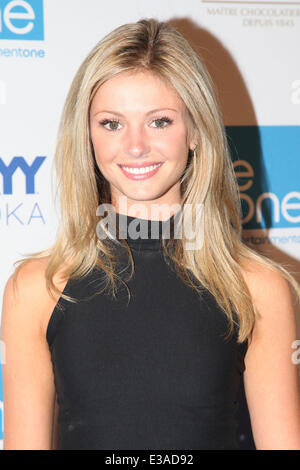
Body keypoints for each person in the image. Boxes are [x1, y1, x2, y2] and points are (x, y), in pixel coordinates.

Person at [1, 18, 300, 451]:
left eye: (159, 122)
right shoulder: (37, 289)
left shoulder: (255, 288)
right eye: (111, 124)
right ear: (86, 136)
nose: (136, 146)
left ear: (195, 131)